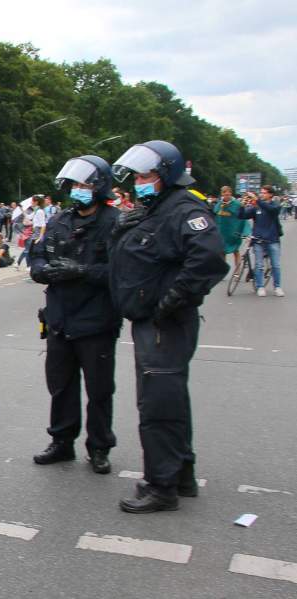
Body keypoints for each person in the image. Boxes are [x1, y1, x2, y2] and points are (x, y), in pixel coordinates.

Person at [110, 140, 228, 513]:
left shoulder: (184, 208)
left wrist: (172, 300)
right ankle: (181, 473)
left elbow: (208, 259)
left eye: (146, 176)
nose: (139, 182)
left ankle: (162, 486)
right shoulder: (157, 208)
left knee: (158, 404)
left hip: (164, 323)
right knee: (170, 398)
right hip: (153, 320)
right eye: (138, 176)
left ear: (166, 175)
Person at [29, 155, 121, 475]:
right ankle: (62, 441)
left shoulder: (115, 223)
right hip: (59, 318)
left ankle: (99, 446)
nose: (78, 190)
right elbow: (37, 255)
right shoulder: (59, 221)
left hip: (95, 321)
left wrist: (82, 272)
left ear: (99, 187)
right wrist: (41, 270)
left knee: (98, 389)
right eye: (75, 185)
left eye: (85, 184)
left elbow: (122, 272)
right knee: (61, 385)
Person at [238, 185, 284, 297]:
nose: (262, 194)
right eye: (261, 192)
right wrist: (242, 206)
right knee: (259, 265)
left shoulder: (275, 205)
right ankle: (260, 286)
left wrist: (257, 200)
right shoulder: (256, 207)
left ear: (270, 194)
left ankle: (277, 287)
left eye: (264, 193)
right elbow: (242, 216)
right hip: (258, 239)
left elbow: (271, 210)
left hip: (272, 239)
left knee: (276, 265)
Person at [214, 186, 244, 274]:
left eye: (228, 194)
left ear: (231, 193)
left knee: (235, 250)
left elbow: (242, 217)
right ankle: (222, 270)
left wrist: (241, 231)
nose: (226, 196)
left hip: (233, 231)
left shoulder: (237, 204)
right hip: (222, 232)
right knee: (223, 252)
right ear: (222, 194)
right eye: (224, 194)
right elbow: (215, 214)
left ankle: (237, 270)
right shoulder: (219, 204)